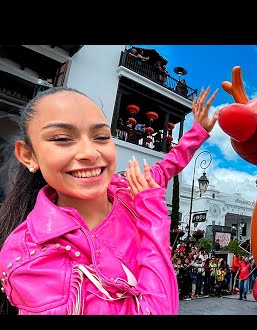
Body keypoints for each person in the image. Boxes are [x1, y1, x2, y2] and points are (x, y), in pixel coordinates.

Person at [0, 85, 219, 315]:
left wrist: (199, 131)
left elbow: (166, 167)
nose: (90, 153)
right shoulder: (26, 256)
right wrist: (153, 215)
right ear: (28, 155)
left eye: (102, 137)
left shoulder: (128, 190)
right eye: (63, 138)